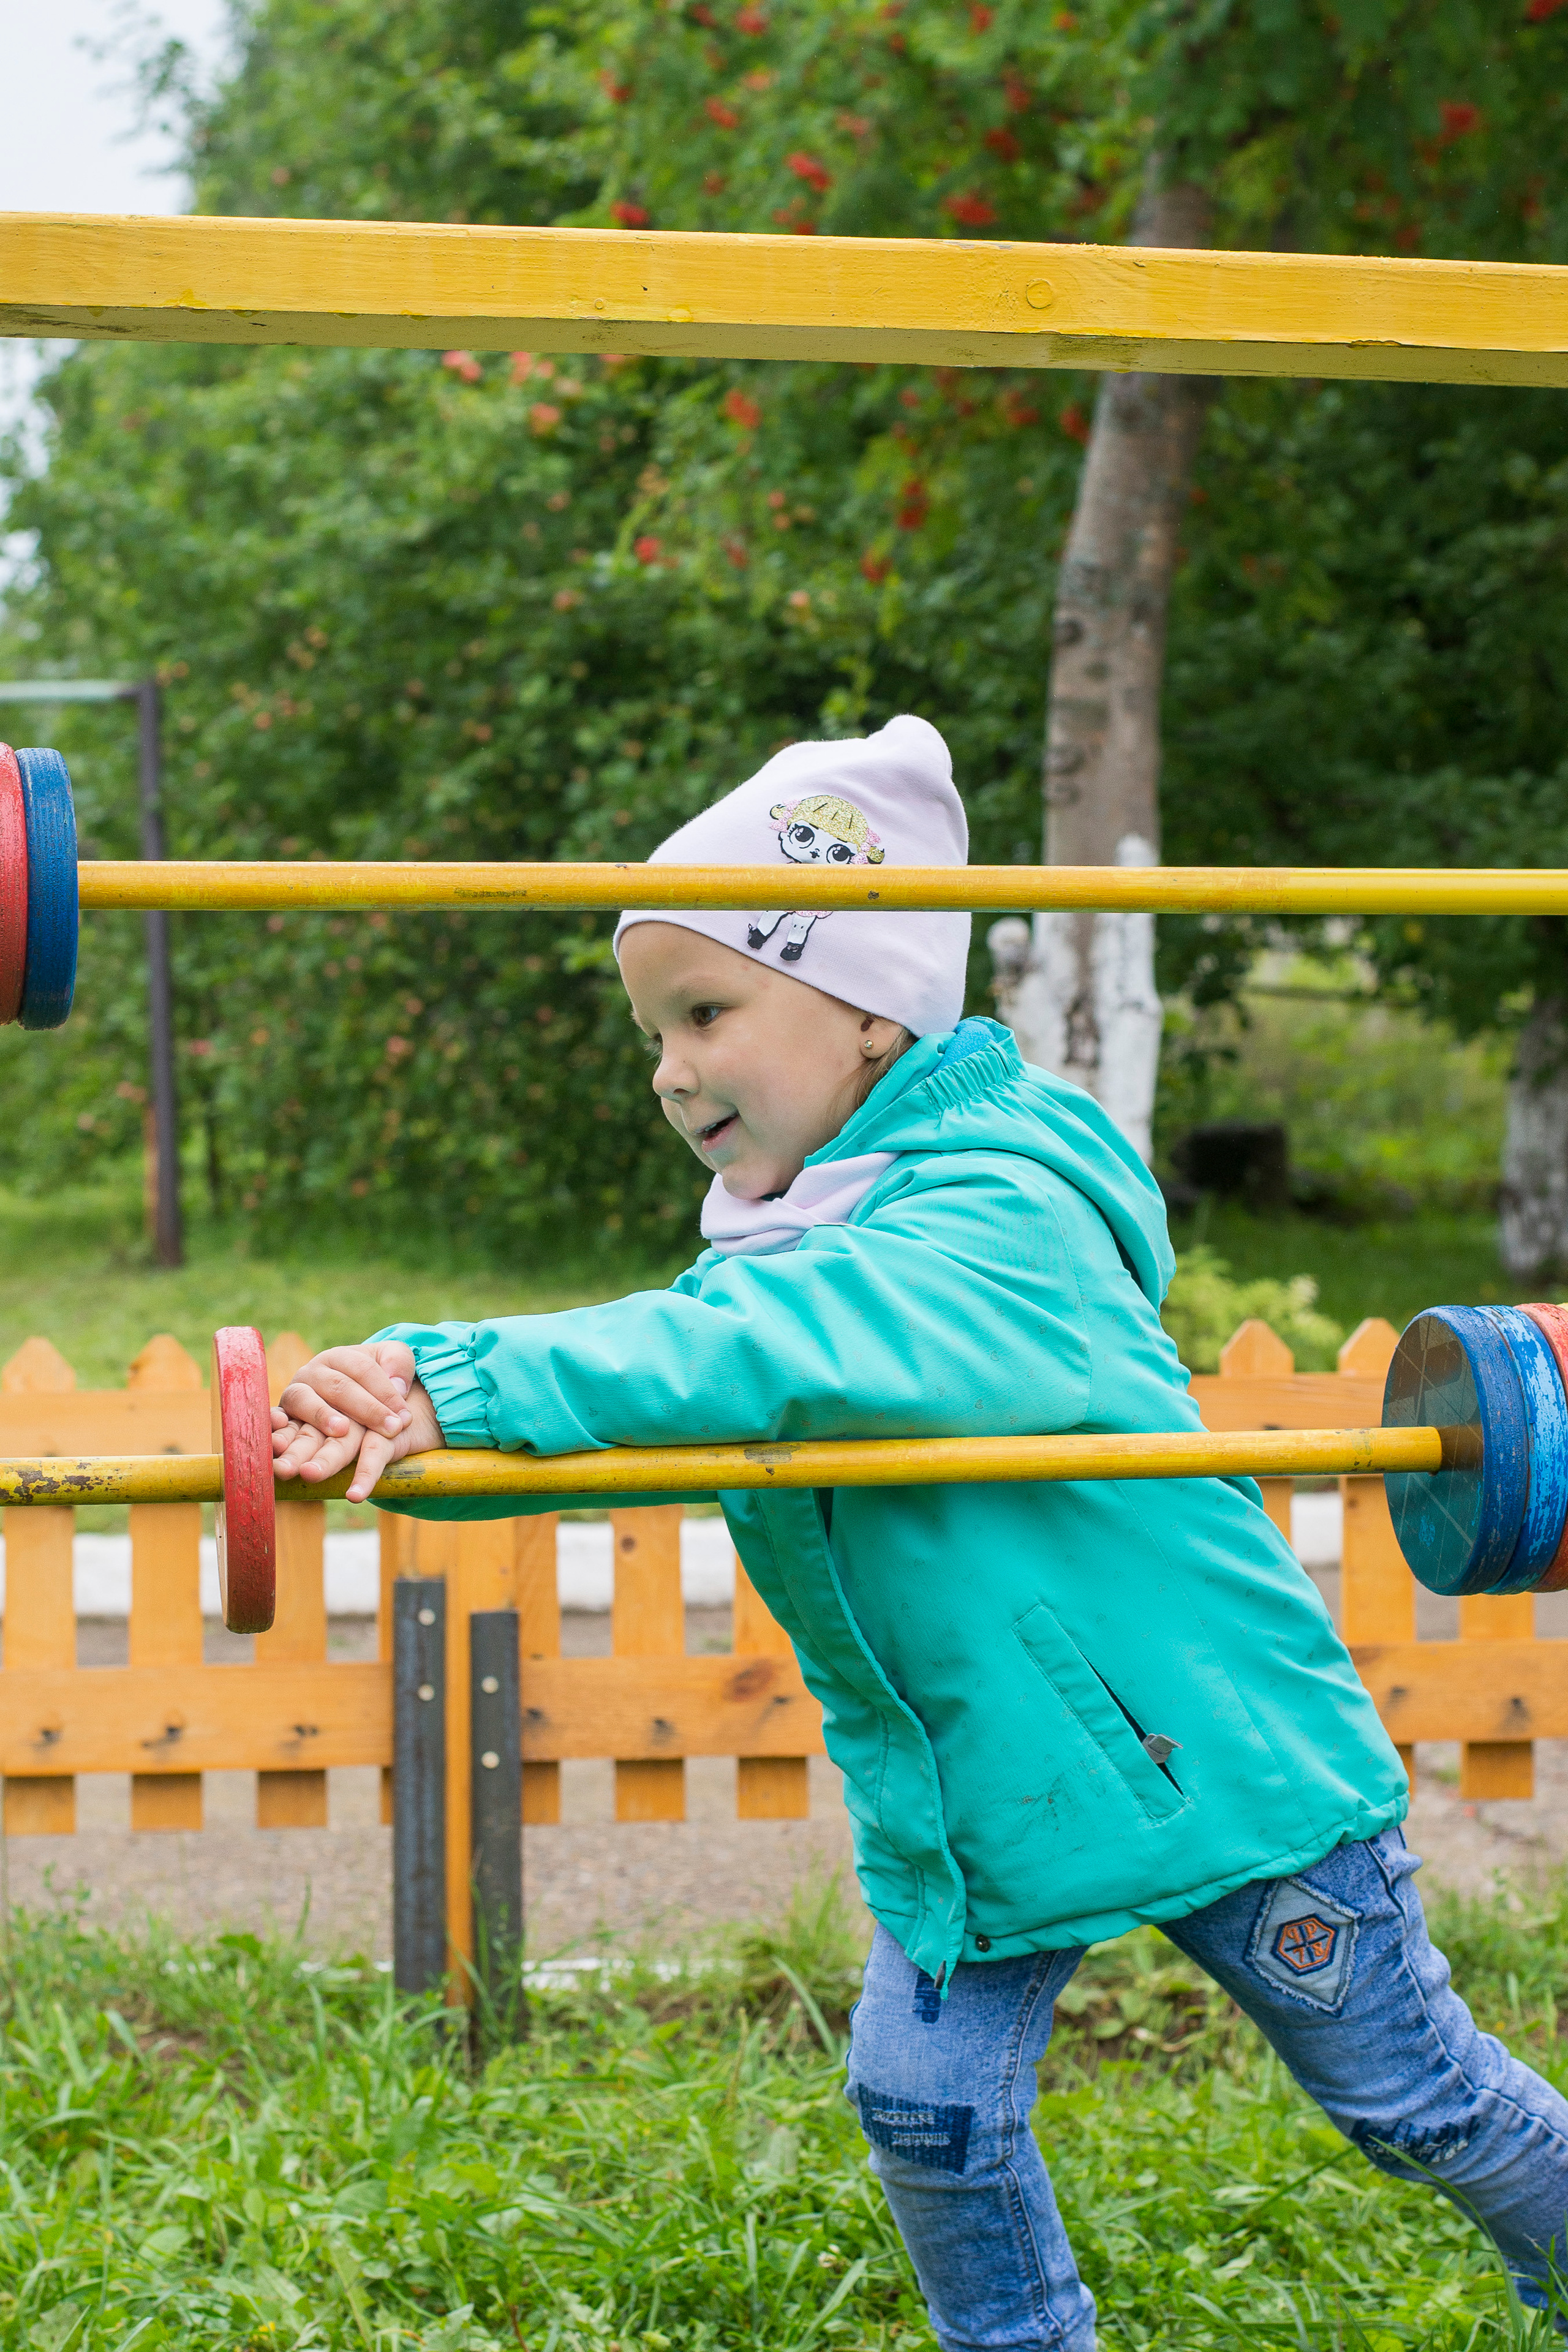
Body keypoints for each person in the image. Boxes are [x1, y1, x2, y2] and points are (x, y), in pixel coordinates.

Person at [271, 714, 1568, 2346]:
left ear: (872, 1007)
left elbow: (758, 1357)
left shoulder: (988, 1221)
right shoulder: (790, 1251)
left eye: (707, 1012)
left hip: (1214, 1761)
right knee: (927, 2113)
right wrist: (411, 1430)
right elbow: (665, 1406)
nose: (670, 1069)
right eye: (652, 1032)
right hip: (978, 1804)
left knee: (1413, 2101)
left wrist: (454, 1367)